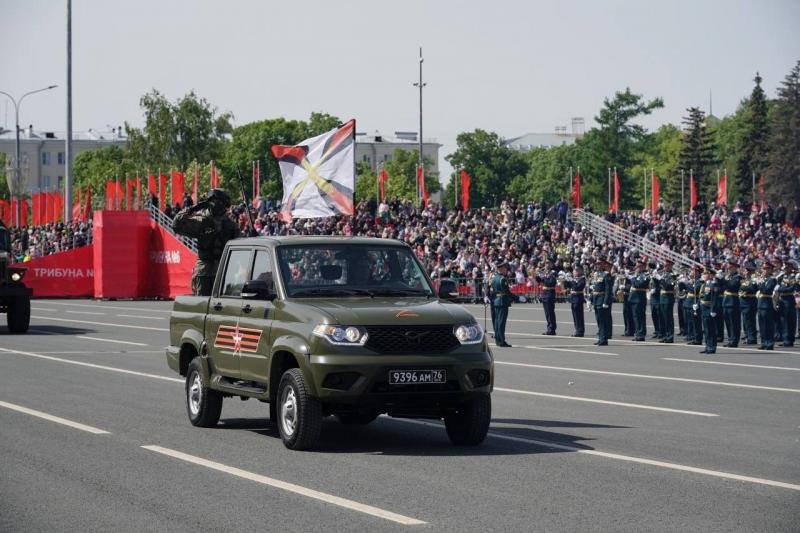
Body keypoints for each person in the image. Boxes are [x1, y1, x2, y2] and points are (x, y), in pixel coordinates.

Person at [173, 188, 240, 296]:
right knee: (202, 306)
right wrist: (193, 208)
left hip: (223, 272)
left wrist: (253, 236)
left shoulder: (230, 226)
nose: (216, 204)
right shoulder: (202, 222)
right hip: (204, 272)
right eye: (213, 201)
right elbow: (176, 224)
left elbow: (239, 249)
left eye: (219, 201)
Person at [591, 258, 614, 346]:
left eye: (599, 264)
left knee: (603, 320)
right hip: (596, 299)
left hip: (602, 299)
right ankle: (600, 337)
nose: (597, 265)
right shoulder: (596, 274)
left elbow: (608, 290)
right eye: (597, 264)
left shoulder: (606, 275)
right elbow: (593, 288)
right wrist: (591, 299)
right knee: (598, 320)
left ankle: (604, 339)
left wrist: (605, 302)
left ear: (603, 265)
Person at [756, 262, 777, 351]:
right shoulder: (763, 279)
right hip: (760, 303)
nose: (764, 270)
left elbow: (767, 290)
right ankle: (764, 342)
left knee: (768, 325)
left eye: (766, 269)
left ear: (770, 270)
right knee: (762, 325)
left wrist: (760, 284)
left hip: (767, 304)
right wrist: (757, 283)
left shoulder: (772, 280)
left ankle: (769, 343)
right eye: (763, 269)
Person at [491, 261, 512, 347]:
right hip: (502, 301)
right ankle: (502, 341)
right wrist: (518, 298)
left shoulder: (495, 278)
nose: (506, 270)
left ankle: (498, 340)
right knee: (501, 323)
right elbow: (507, 292)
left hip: (496, 301)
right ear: (501, 269)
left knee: (497, 322)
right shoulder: (502, 279)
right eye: (505, 268)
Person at [698, 266, 719, 354]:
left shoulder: (713, 284)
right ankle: (707, 346)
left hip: (709, 308)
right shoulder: (705, 284)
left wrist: (713, 310)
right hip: (703, 307)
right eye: (704, 273)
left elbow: (714, 298)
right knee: (706, 329)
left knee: (711, 329)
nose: (704, 275)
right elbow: (702, 295)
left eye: (706, 273)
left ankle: (712, 347)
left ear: (711, 275)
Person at [721, 259, 742, 347]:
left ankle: (734, 340)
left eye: (730, 268)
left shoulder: (737, 277)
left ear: (734, 268)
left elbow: (731, 286)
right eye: (728, 268)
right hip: (726, 302)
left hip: (733, 302)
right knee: (728, 323)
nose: (728, 269)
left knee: (734, 323)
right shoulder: (728, 276)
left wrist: (722, 279)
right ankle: (730, 339)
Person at [535, 260, 557, 335]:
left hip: (550, 293)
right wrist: (537, 274)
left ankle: (552, 329)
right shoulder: (544, 272)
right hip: (544, 293)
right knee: (547, 312)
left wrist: (543, 277)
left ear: (551, 264)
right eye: (546, 263)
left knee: (550, 312)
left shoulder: (553, 273)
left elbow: (551, 283)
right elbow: (538, 280)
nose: (546, 265)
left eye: (548, 263)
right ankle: (549, 328)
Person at [629, 260, 649, 341]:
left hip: (639, 299)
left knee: (640, 317)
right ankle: (637, 333)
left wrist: (633, 278)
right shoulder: (637, 275)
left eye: (638, 266)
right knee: (635, 317)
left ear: (643, 267)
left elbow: (638, 284)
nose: (636, 268)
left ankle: (641, 334)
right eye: (636, 266)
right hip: (633, 298)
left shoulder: (645, 275)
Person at [739, 262, 759, 345]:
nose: (745, 272)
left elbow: (753, 288)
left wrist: (743, 287)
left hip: (750, 301)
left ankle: (752, 338)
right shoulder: (744, 279)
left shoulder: (754, 279)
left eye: (747, 270)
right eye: (745, 270)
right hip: (743, 301)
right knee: (745, 320)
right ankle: (747, 335)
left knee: (750, 320)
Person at [564, 265, 586, 337]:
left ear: (581, 271)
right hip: (573, 298)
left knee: (579, 315)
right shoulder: (574, 279)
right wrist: (565, 280)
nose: (575, 271)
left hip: (578, 298)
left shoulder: (582, 279)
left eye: (577, 270)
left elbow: (577, 287)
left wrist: (571, 280)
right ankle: (577, 329)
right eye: (574, 270)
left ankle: (580, 331)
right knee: (575, 315)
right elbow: (566, 286)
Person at [778, 262, 796, 347]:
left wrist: (782, 289)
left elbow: (791, 288)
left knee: (789, 321)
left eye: (786, 268)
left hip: (789, 299)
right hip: (782, 299)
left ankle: (789, 339)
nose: (784, 269)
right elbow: (778, 287)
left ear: (789, 268)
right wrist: (782, 289)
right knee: (783, 320)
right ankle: (785, 339)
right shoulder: (781, 277)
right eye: (784, 268)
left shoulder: (792, 277)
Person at [659, 260, 676, 343]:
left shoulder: (673, 276)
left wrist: (660, 280)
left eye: (667, 266)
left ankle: (670, 336)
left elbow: (668, 286)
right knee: (663, 318)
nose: (665, 267)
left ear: (670, 266)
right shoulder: (663, 274)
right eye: (664, 266)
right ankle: (665, 335)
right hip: (662, 297)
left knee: (668, 318)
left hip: (668, 297)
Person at [649, 262, 662, 339]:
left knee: (659, 315)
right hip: (653, 298)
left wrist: (656, 290)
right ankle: (656, 330)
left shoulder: (658, 278)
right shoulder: (651, 276)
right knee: (654, 315)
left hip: (657, 298)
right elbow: (650, 285)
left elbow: (661, 286)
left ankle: (660, 331)